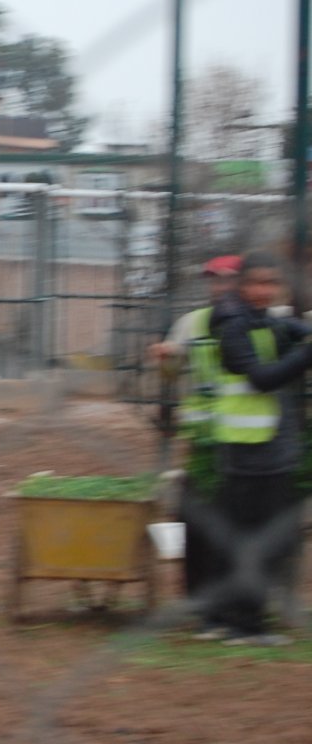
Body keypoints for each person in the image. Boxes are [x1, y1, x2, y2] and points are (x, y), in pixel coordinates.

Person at [195, 251, 312, 645]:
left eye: (271, 283)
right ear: (241, 285)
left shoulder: (259, 319)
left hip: (255, 448)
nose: (264, 290)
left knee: (237, 537)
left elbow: (287, 327)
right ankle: (247, 625)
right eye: (257, 282)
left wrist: (305, 331)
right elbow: (262, 378)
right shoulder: (234, 327)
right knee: (261, 539)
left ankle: (220, 618)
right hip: (252, 453)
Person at [150, 255, 241, 608]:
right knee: (196, 517)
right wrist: (165, 359)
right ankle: (197, 595)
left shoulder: (264, 320)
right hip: (203, 439)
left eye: (229, 280)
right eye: (215, 281)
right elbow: (171, 372)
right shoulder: (193, 323)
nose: (221, 287)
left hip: (247, 439)